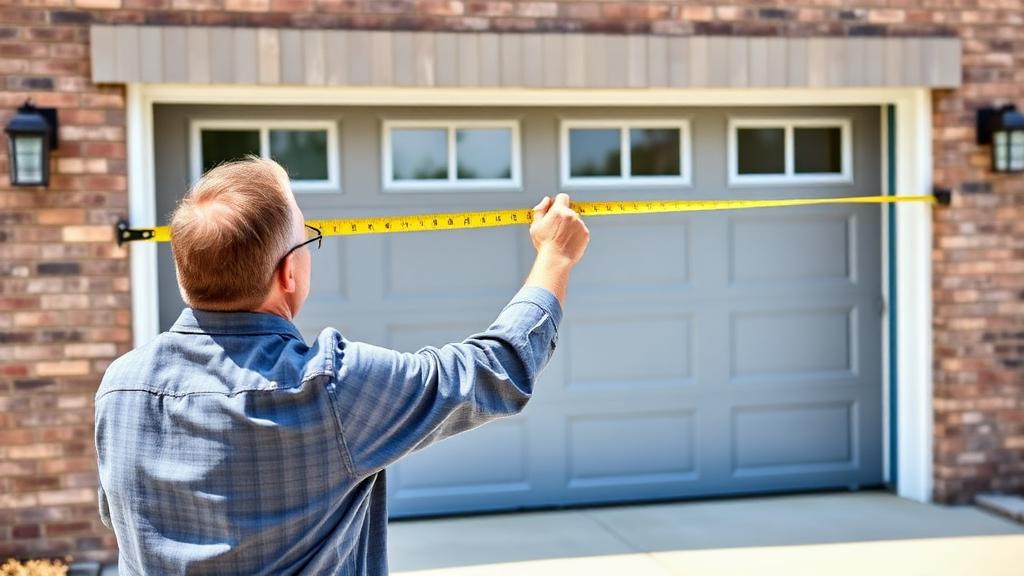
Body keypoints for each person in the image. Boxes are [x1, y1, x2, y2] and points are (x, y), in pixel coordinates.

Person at [94, 157, 590, 575]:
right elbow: (495, 368)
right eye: (308, 237)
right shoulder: (330, 388)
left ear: (184, 276)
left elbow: (119, 515)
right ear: (288, 273)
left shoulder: (120, 389)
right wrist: (556, 257)